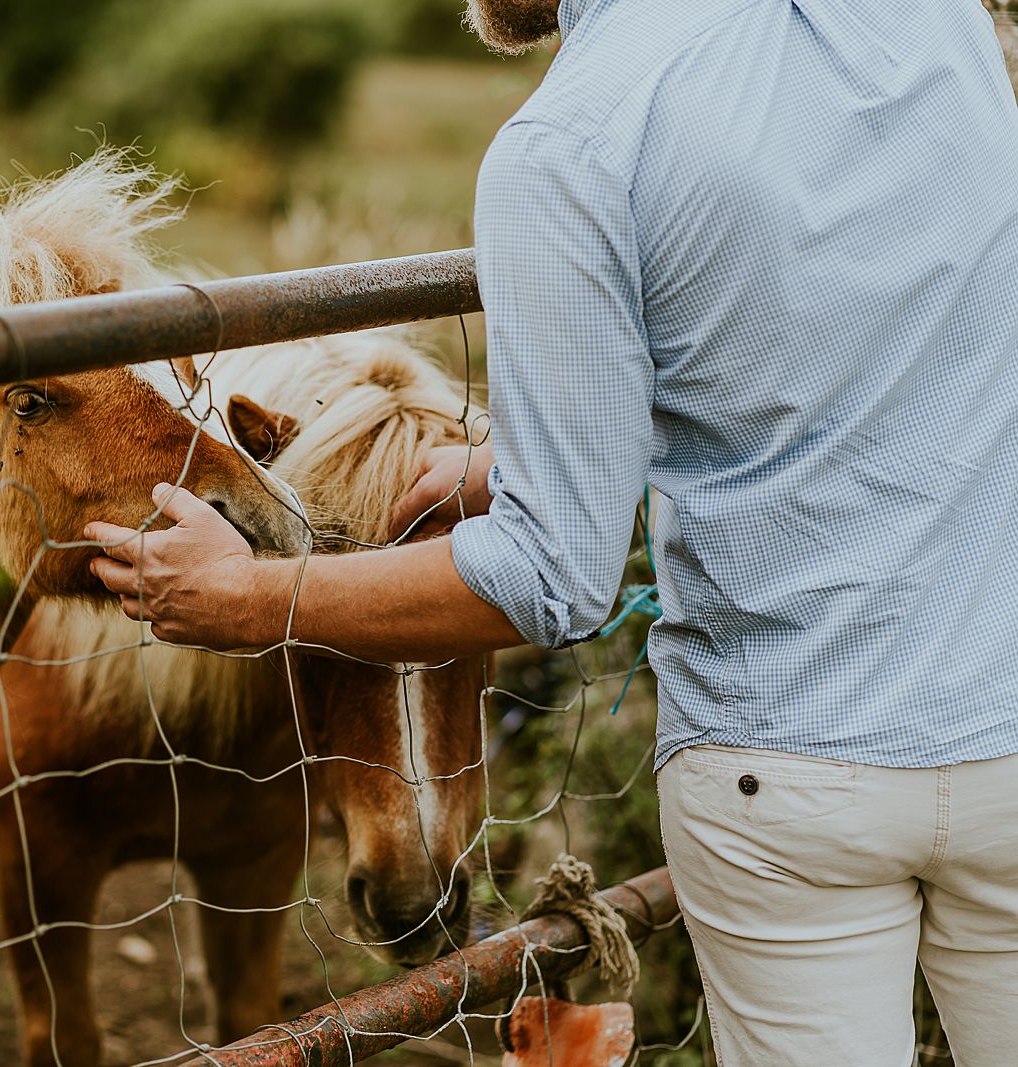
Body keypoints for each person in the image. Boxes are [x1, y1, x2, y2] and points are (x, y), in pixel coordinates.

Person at [85, 0, 1018, 1062]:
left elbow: (546, 581)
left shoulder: (570, 141)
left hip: (792, 773)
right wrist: (543, 458)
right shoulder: (934, 19)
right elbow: (849, 328)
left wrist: (252, 598)